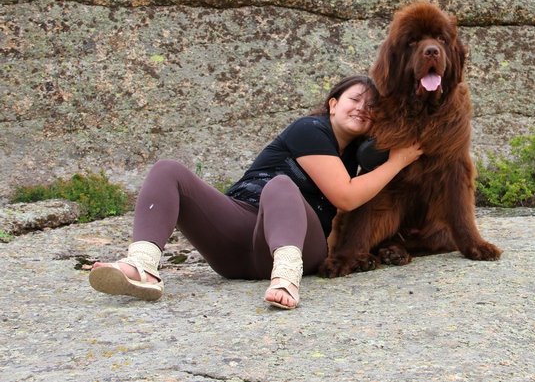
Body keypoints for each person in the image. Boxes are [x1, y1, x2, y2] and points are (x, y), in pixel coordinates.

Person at [88, 75, 423, 309]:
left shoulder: (356, 158)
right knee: (168, 170)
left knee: (281, 186)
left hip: (298, 248)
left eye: (372, 106)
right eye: (355, 99)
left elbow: (350, 202)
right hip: (238, 235)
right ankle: (142, 265)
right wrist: (399, 160)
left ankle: (286, 278)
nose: (363, 108)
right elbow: (346, 195)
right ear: (333, 104)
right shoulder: (309, 129)